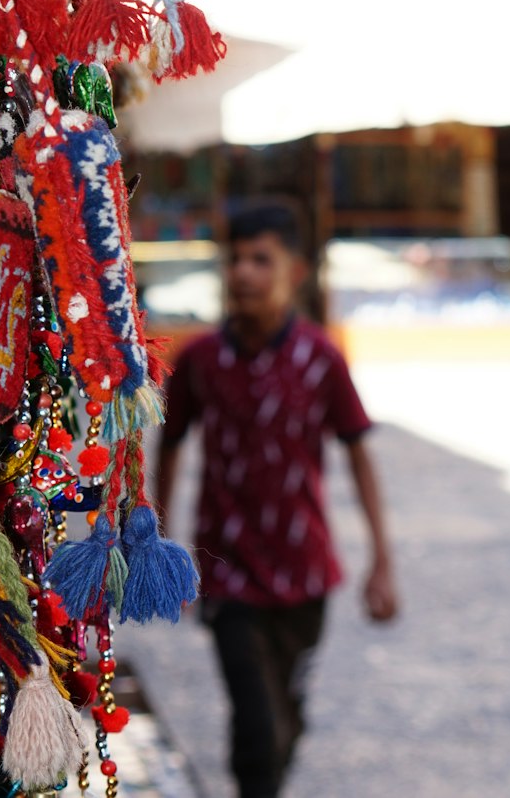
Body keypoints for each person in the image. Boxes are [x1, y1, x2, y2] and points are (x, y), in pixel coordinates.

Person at [156, 200, 398, 798]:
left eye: (260, 259)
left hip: (305, 573)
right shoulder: (200, 361)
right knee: (256, 728)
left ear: (295, 271)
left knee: (283, 713)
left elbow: (359, 454)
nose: (243, 272)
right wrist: (161, 544)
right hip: (227, 572)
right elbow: (170, 445)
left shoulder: (321, 358)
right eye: (234, 259)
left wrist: (382, 562)